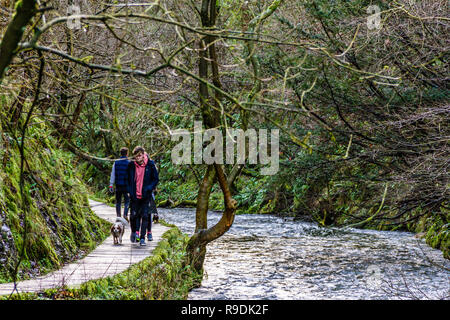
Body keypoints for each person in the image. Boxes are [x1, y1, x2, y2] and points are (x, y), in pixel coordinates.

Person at [127, 146, 159, 246]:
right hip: (134, 195)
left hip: (146, 195)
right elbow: (127, 179)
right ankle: (134, 232)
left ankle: (142, 237)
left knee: (145, 215)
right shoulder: (131, 165)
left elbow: (156, 179)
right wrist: (129, 191)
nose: (138, 158)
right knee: (134, 215)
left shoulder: (150, 164)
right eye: (136, 156)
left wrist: (149, 188)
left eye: (140, 156)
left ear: (143, 154)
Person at [109, 147, 130, 220]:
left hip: (118, 185)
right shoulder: (129, 163)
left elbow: (113, 174)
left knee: (118, 201)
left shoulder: (116, 162)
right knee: (127, 201)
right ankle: (125, 214)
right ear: (127, 154)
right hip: (126, 186)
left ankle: (118, 216)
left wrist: (111, 184)